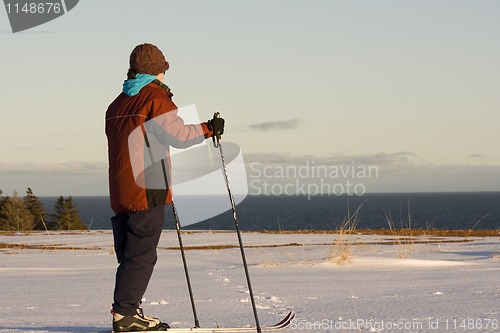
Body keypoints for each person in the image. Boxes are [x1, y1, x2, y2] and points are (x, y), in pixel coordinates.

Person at [105, 43, 224, 332]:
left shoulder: (117, 104)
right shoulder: (156, 97)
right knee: (142, 254)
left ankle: (129, 310)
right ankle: (125, 315)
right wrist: (210, 128)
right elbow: (180, 135)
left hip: (120, 189)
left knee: (129, 255)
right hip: (148, 187)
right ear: (159, 70)